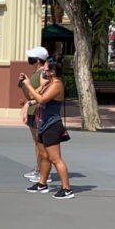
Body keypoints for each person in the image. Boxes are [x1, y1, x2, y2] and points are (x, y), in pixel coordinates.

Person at [18, 58, 74, 199]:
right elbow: (33, 96)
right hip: (42, 123)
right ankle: (42, 184)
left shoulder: (57, 85)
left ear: (53, 71)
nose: (44, 70)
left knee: (56, 159)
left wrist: (29, 85)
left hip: (52, 124)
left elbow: (42, 100)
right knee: (43, 155)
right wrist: (25, 86)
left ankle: (66, 189)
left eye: (47, 69)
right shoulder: (47, 84)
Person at [20, 47, 53, 186]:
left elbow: (45, 89)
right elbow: (29, 93)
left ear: (38, 60)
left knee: (41, 143)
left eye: (32, 57)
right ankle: (39, 168)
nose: (29, 59)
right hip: (32, 110)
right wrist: (23, 85)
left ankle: (45, 172)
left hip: (38, 110)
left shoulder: (43, 74)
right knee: (36, 142)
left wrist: (31, 97)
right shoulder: (35, 73)